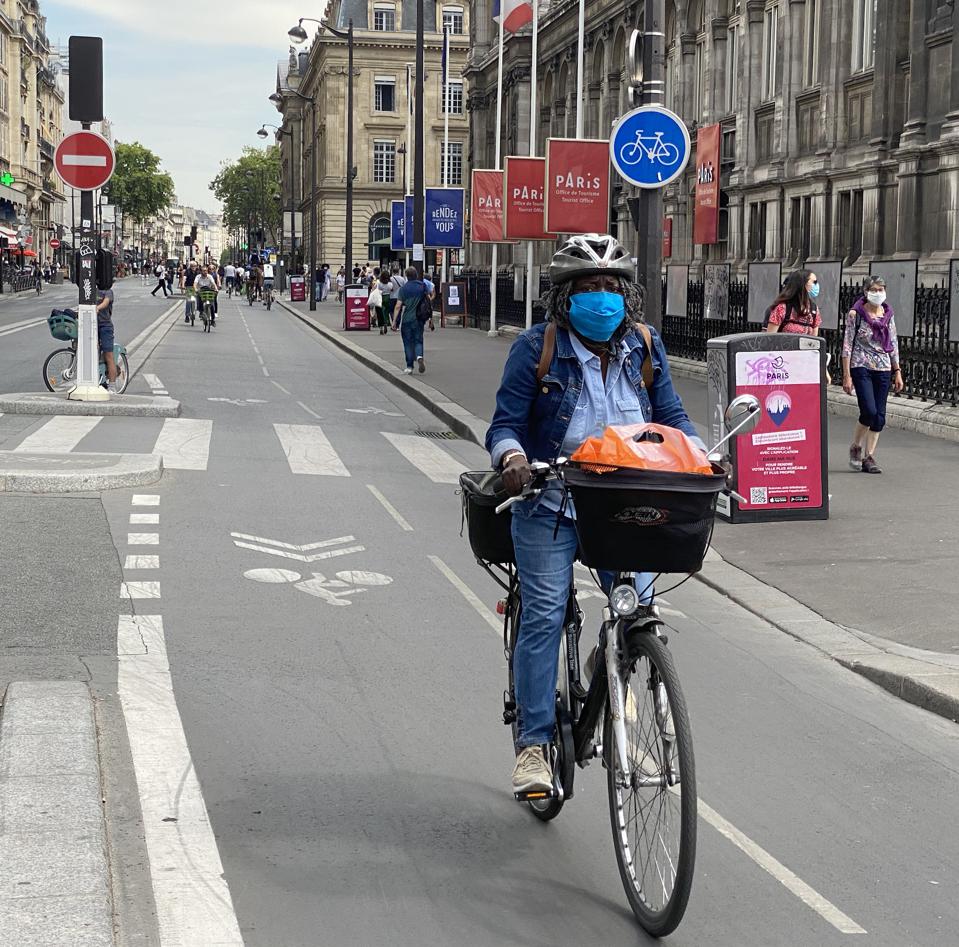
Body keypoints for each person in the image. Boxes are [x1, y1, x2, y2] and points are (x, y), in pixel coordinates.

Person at [485, 233, 704, 794]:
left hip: (626, 505)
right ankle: (534, 746)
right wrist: (512, 458)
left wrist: (701, 457)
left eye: (612, 287)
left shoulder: (644, 348)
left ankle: (625, 703)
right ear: (565, 297)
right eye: (589, 288)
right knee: (542, 615)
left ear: (627, 296)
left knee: (638, 614)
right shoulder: (537, 348)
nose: (602, 298)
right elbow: (505, 423)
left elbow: (672, 417)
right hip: (551, 501)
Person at [842, 275, 903, 475]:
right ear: (866, 291)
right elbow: (847, 345)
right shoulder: (855, 314)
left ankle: (869, 457)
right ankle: (856, 446)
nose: (878, 293)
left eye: (881, 289)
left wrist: (897, 371)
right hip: (862, 366)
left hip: (884, 368)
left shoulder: (888, 314)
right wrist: (846, 375)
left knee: (879, 416)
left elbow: (892, 343)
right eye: (874, 289)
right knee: (868, 410)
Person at [392, 266, 430, 374]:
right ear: (416, 275)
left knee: (407, 342)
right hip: (419, 319)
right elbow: (427, 302)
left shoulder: (403, 289)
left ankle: (409, 367)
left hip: (407, 319)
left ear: (406, 276)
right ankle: (419, 356)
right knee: (418, 340)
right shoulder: (422, 286)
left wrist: (394, 321)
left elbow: (398, 306)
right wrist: (430, 318)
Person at [764, 269, 821, 335]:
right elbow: (770, 337)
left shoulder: (814, 309)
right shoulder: (782, 308)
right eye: (814, 282)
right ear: (803, 284)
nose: (816, 285)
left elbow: (814, 339)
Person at [96, 285, 118, 391]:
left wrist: (97, 308)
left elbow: (106, 302)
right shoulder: (89, 288)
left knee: (108, 355)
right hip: (92, 325)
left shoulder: (108, 291)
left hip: (105, 326)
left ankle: (112, 386)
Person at [374, 270, 392, 334]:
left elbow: (377, 290)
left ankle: (381, 327)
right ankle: (386, 323)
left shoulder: (379, 283)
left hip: (381, 297)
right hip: (388, 297)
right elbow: (391, 290)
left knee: (380, 312)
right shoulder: (390, 284)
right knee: (386, 312)